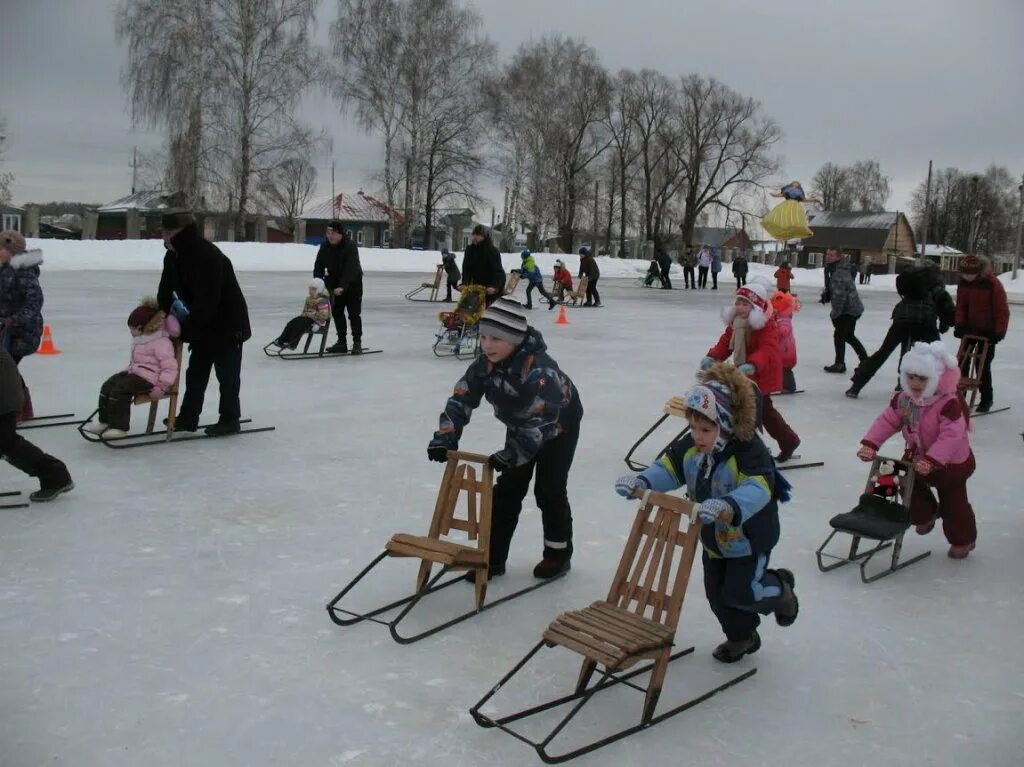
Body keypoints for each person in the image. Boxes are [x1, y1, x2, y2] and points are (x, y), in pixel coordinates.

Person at [614, 363, 798, 662]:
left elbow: (759, 487)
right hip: (713, 537)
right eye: (694, 428)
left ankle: (781, 590)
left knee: (743, 592)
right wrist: (643, 480)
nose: (698, 436)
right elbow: (669, 467)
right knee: (717, 595)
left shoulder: (749, 451)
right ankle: (742, 637)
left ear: (726, 425)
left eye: (706, 430)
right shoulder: (693, 447)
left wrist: (730, 505)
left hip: (749, 539)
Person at [427, 297, 583, 579]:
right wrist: (445, 437)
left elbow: (544, 419)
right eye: (483, 336)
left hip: (558, 426)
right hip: (521, 424)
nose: (487, 345)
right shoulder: (484, 364)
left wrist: (514, 452)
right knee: (508, 490)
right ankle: (492, 557)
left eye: (496, 338)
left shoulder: (540, 371)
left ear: (514, 339)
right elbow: (461, 398)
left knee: (549, 490)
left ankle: (558, 554)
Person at [858, 341, 977, 559]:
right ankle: (926, 515)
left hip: (951, 465)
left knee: (954, 505)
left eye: (922, 378)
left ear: (937, 378)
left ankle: (963, 539)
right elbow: (888, 420)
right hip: (918, 456)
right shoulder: (905, 400)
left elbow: (951, 437)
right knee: (902, 481)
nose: (915, 383)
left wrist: (933, 460)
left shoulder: (949, 403)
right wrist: (870, 443)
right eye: (910, 376)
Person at [157, 212, 251, 436]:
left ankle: (230, 419)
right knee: (196, 373)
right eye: (163, 232)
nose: (164, 236)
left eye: (168, 232)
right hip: (202, 324)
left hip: (228, 323)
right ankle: (188, 417)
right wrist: (165, 315)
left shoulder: (206, 255)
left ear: (181, 233)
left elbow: (208, 300)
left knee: (227, 375)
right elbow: (165, 291)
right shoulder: (172, 257)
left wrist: (186, 330)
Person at [702, 280, 801, 462]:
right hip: (744, 373)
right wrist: (713, 356)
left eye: (745, 303)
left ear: (756, 306)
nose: (740, 307)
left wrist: (753, 365)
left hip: (762, 373)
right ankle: (746, 445)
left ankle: (787, 441)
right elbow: (725, 344)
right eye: (738, 303)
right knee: (751, 411)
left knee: (762, 413)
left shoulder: (767, 324)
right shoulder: (737, 323)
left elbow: (768, 349)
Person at [847, 260, 949, 399]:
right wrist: (946, 322)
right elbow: (947, 306)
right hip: (924, 321)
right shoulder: (935, 283)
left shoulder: (914, 279)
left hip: (902, 318)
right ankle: (943, 389)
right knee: (937, 355)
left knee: (883, 353)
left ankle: (857, 385)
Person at [83, 298, 180, 440]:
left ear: (142, 327)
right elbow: (137, 362)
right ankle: (105, 421)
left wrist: (161, 386)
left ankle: (119, 427)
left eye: (132, 329)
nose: (130, 332)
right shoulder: (141, 339)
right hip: (135, 373)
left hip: (151, 380)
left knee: (119, 391)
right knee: (107, 386)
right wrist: (127, 370)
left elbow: (170, 367)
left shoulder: (161, 342)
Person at [0, 347, 73, 501]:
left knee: (6, 442)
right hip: (7, 393)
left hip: (4, 397)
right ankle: (55, 476)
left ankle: (55, 476)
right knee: (6, 442)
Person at [953, 254, 1009, 413]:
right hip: (970, 329)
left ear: (978, 272)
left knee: (982, 365)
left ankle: (986, 399)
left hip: (988, 331)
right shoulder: (963, 283)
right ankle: (959, 396)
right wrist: (960, 325)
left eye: (970, 274)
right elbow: (961, 306)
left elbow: (1002, 311)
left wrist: (998, 332)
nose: (967, 277)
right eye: (964, 274)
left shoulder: (992, 284)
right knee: (961, 361)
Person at [0, 230, 45, 423]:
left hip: (22, 331)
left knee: (7, 369)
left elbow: (35, 301)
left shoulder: (23, 270)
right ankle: (24, 408)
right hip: (5, 328)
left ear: (12, 250)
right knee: (7, 369)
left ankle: (18, 409)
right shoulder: (4, 269)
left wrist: (14, 319)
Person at [313, 220, 364, 354]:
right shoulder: (325, 246)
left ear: (341, 234)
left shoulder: (350, 246)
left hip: (353, 285)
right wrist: (318, 282)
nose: (330, 236)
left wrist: (343, 286)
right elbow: (318, 265)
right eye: (328, 233)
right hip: (334, 285)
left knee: (354, 314)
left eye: (334, 233)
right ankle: (342, 342)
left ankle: (357, 343)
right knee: (337, 312)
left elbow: (351, 269)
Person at [823, 248, 868, 374]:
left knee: (842, 335)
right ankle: (863, 361)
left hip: (848, 309)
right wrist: (826, 295)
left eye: (831, 255)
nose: (828, 257)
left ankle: (841, 363)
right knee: (846, 336)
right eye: (827, 254)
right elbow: (834, 289)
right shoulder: (834, 269)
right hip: (850, 308)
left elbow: (840, 296)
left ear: (838, 257)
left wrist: (835, 314)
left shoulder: (839, 273)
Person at [272, 278, 331, 350]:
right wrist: (302, 316)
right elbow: (305, 310)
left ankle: (292, 344)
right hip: (306, 317)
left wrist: (318, 324)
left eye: (313, 289)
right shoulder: (309, 299)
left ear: (318, 290)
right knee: (292, 323)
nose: (310, 291)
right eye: (310, 289)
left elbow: (324, 315)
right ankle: (281, 340)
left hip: (314, 320)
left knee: (299, 326)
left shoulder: (322, 301)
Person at [461, 225, 505, 307]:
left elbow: (498, 271)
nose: (475, 237)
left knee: (487, 313)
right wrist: (465, 282)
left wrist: (494, 286)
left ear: (484, 237)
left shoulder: (492, 251)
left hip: (489, 287)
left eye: (478, 235)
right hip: (474, 288)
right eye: (474, 234)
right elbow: (466, 268)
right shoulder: (469, 250)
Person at [771, 291, 799, 393]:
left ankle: (789, 386)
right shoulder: (781, 319)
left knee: (785, 370)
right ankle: (783, 385)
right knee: (782, 370)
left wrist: (775, 330)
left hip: (786, 351)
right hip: (784, 350)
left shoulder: (784, 320)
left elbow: (783, 331)